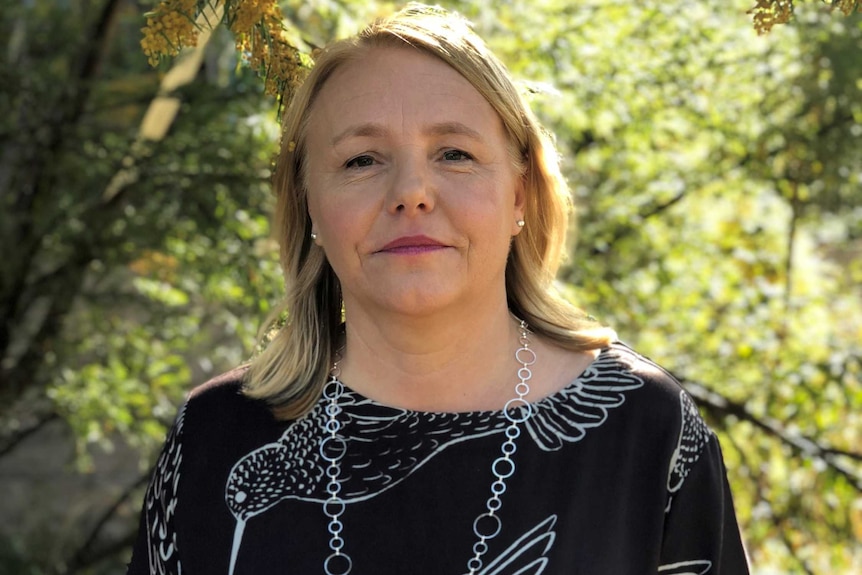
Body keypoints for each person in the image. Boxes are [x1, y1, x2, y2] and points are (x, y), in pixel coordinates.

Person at [127, 3, 750, 574]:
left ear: (520, 193)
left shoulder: (645, 429)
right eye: (361, 160)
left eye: (454, 153)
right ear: (308, 205)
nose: (411, 192)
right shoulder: (214, 437)